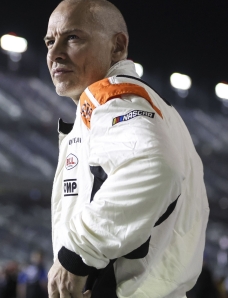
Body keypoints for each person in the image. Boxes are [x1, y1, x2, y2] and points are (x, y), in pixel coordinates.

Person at [44, 0, 209, 297]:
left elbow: (155, 168)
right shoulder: (149, 106)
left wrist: (76, 257)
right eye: (49, 41)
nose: (55, 54)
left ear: (118, 46)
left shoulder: (110, 97)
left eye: (73, 38)